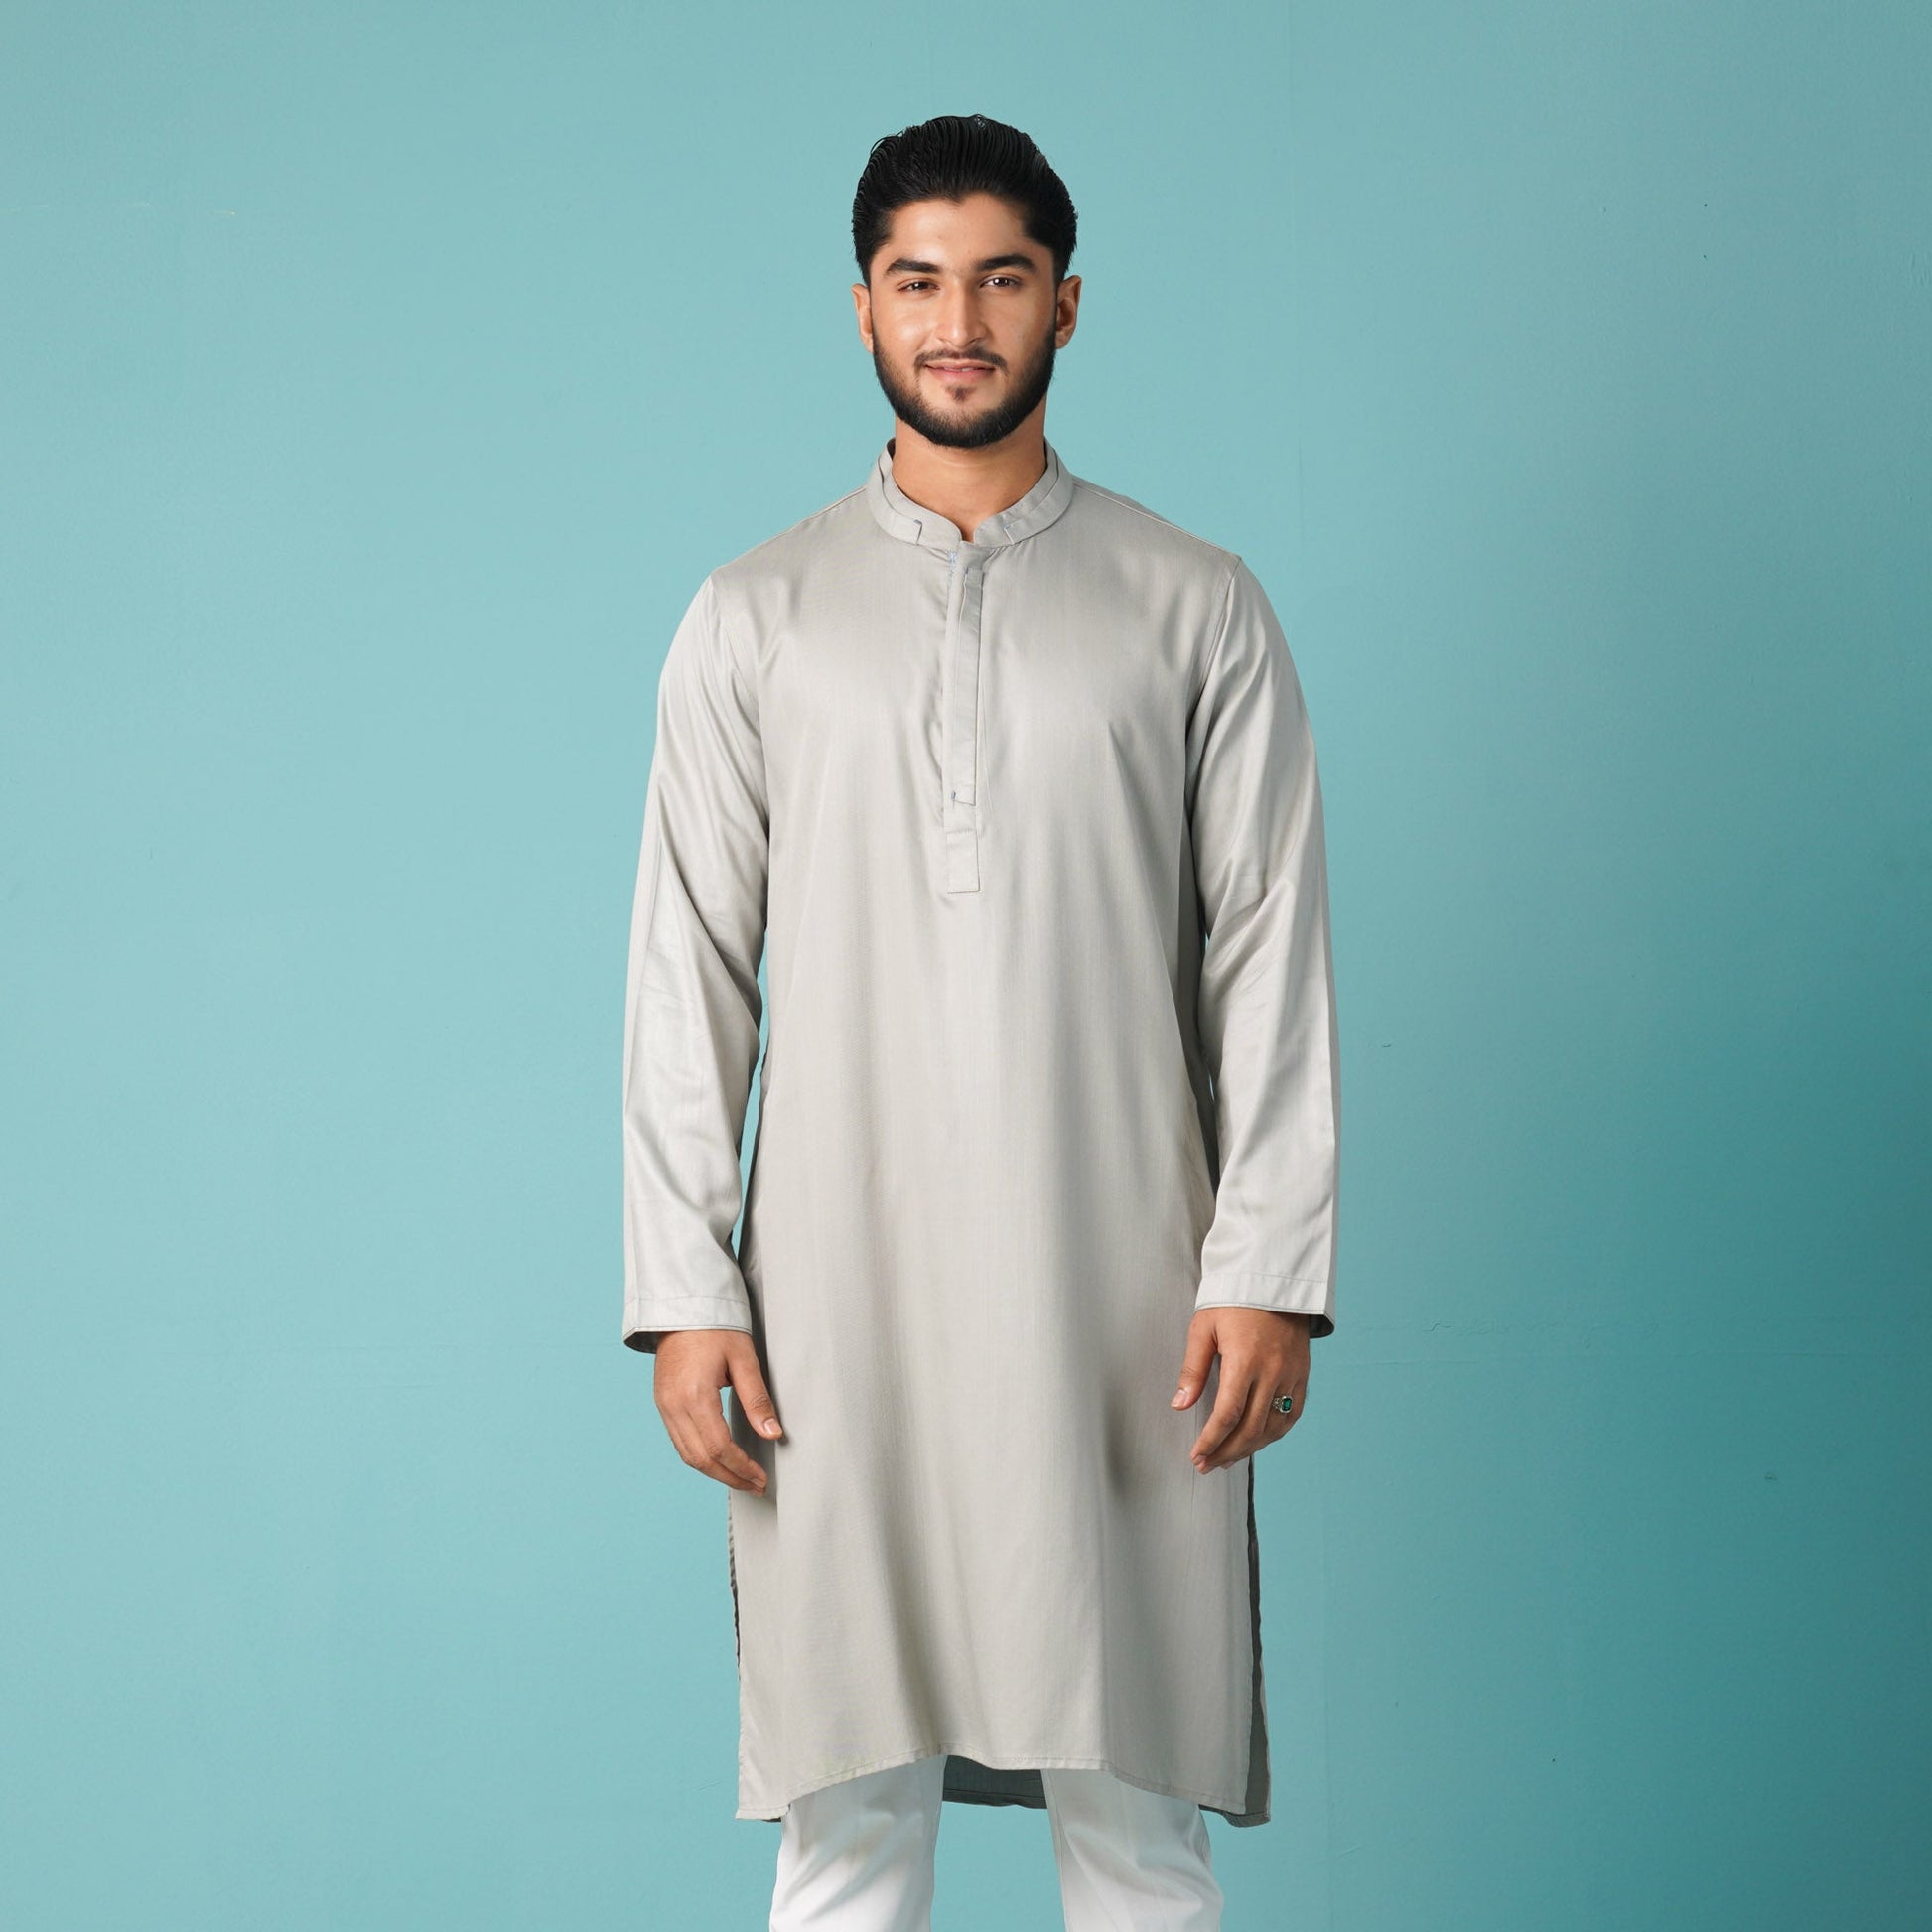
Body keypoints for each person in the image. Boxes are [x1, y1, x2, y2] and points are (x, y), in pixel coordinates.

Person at [621, 112, 1342, 1931]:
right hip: (833, 1303)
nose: (959, 323)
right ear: (860, 306)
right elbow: (687, 968)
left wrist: (1266, 1262)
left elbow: (1268, 949)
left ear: (1065, 307)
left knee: (1140, 1820)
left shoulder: (1193, 603)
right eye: (919, 281)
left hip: (1128, 1295)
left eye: (1001, 280)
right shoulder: (754, 615)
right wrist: (689, 1289)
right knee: (844, 1822)